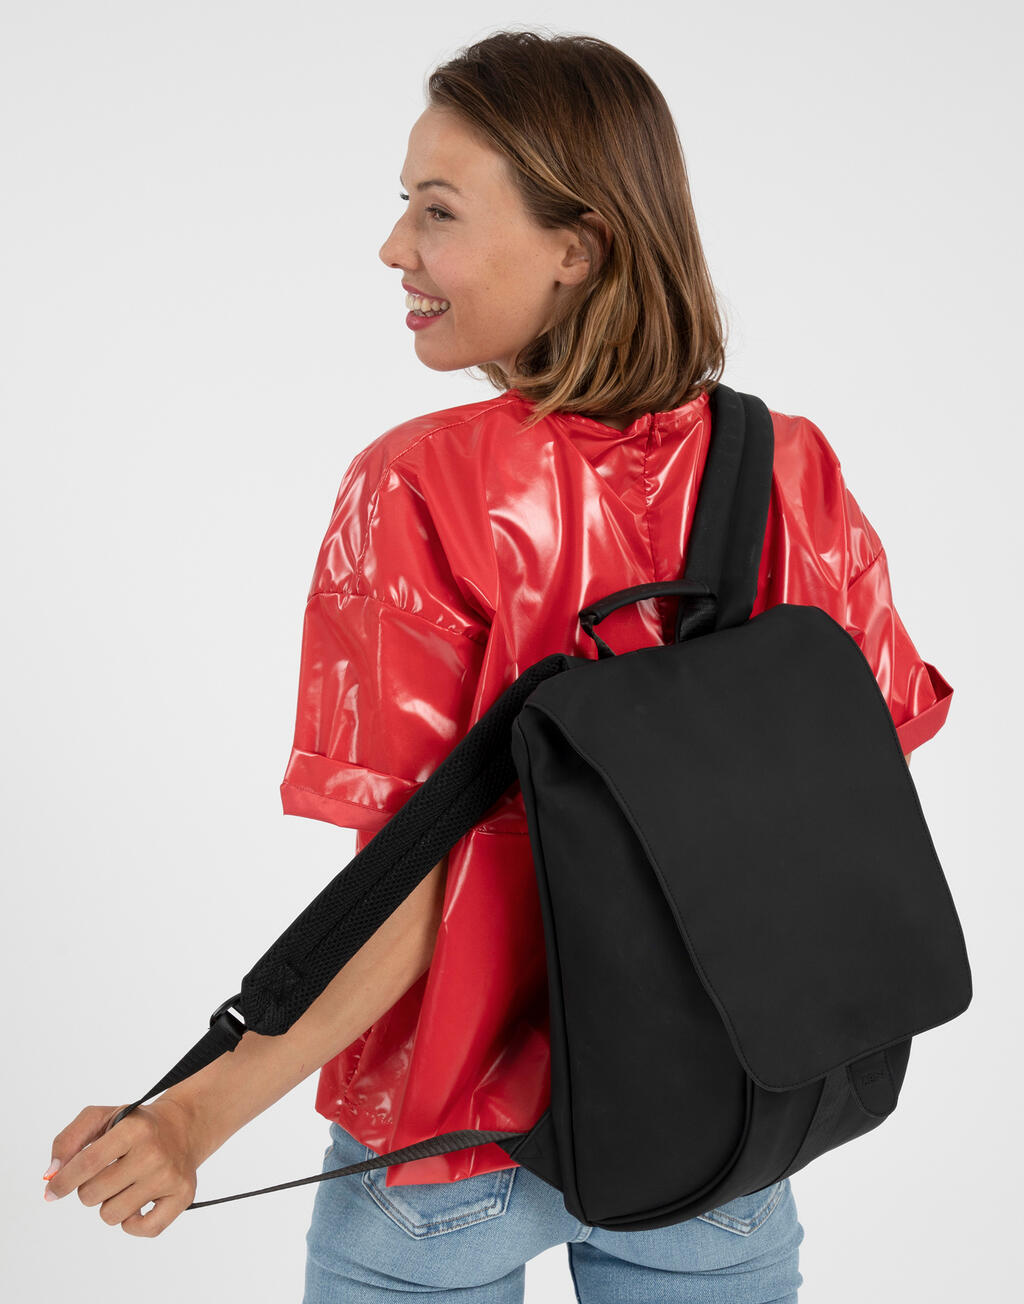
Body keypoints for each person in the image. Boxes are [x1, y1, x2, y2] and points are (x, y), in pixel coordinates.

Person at [43, 29, 953, 1303]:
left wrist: (198, 1111)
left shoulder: (419, 484)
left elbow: (414, 880)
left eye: (437, 210)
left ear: (577, 246)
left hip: (448, 1148)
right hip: (727, 1119)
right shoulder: (790, 467)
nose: (393, 248)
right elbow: (856, 772)